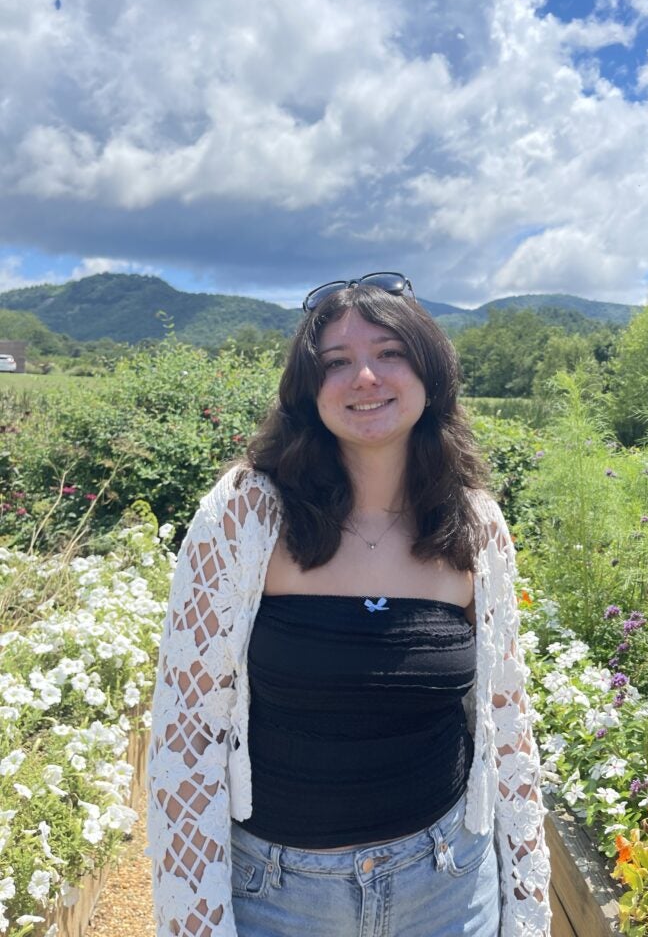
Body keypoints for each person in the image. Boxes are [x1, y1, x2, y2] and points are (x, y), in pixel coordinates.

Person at [147, 272, 551, 937]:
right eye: (336, 362)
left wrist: (526, 911)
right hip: (278, 898)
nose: (365, 376)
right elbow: (186, 736)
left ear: (431, 372)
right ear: (310, 391)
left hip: (450, 887)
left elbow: (507, 731)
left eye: (389, 353)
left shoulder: (474, 527)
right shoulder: (247, 515)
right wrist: (197, 918)